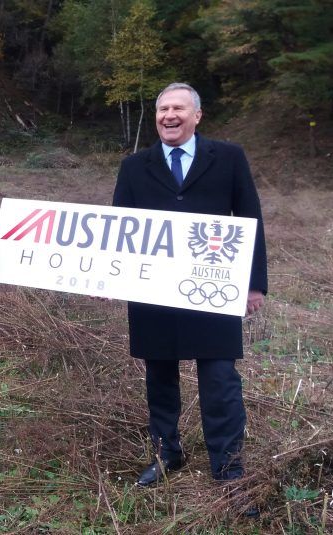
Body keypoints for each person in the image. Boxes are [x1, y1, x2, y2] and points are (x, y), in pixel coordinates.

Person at [112, 83, 267, 499]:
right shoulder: (134, 166)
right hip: (153, 291)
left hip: (213, 288)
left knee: (219, 378)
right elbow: (118, 229)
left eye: (178, 108)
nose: (169, 116)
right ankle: (167, 453)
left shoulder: (228, 157)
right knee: (160, 377)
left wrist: (254, 284)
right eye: (162, 109)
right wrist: (107, 278)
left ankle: (228, 465)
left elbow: (250, 217)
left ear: (197, 115)